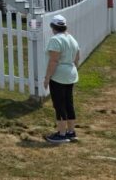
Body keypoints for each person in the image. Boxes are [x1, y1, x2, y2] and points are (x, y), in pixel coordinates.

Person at [44, 14, 80, 144]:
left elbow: (53, 61)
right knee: (69, 103)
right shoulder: (71, 38)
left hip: (59, 76)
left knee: (59, 104)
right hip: (70, 74)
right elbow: (77, 57)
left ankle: (62, 134)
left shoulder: (55, 40)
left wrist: (47, 77)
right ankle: (71, 131)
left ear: (53, 27)